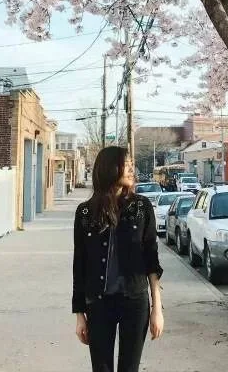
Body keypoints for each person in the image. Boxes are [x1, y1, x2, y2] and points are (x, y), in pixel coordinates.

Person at [73, 146, 164, 372]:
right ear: (110, 168)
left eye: (132, 164)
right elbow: (80, 265)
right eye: (127, 164)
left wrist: (157, 309)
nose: (132, 169)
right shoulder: (85, 213)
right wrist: (79, 315)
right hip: (99, 303)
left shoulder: (142, 207)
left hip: (135, 302)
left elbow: (151, 260)